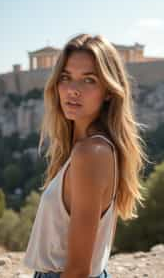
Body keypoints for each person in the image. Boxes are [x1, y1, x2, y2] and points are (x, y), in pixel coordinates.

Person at [23, 33, 149, 278]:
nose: (73, 90)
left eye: (89, 80)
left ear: (109, 91)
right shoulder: (90, 148)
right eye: (66, 77)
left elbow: (79, 270)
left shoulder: (91, 153)